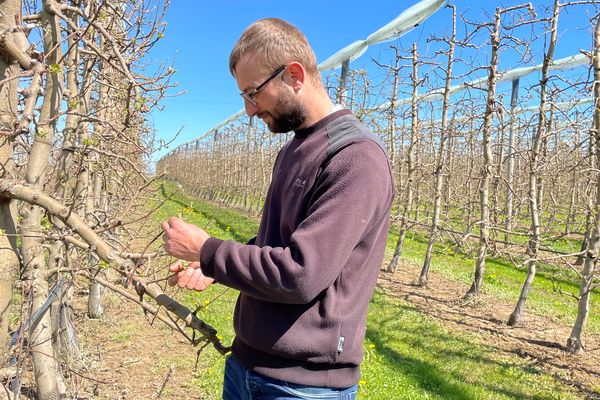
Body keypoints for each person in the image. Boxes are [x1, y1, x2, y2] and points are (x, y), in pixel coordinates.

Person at [162, 17, 394, 399]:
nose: (250, 111)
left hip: (303, 385)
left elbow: (301, 273)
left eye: (253, 93)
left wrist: (207, 249)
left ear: (294, 75)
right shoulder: (293, 150)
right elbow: (277, 243)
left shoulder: (355, 159)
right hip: (247, 365)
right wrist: (212, 268)